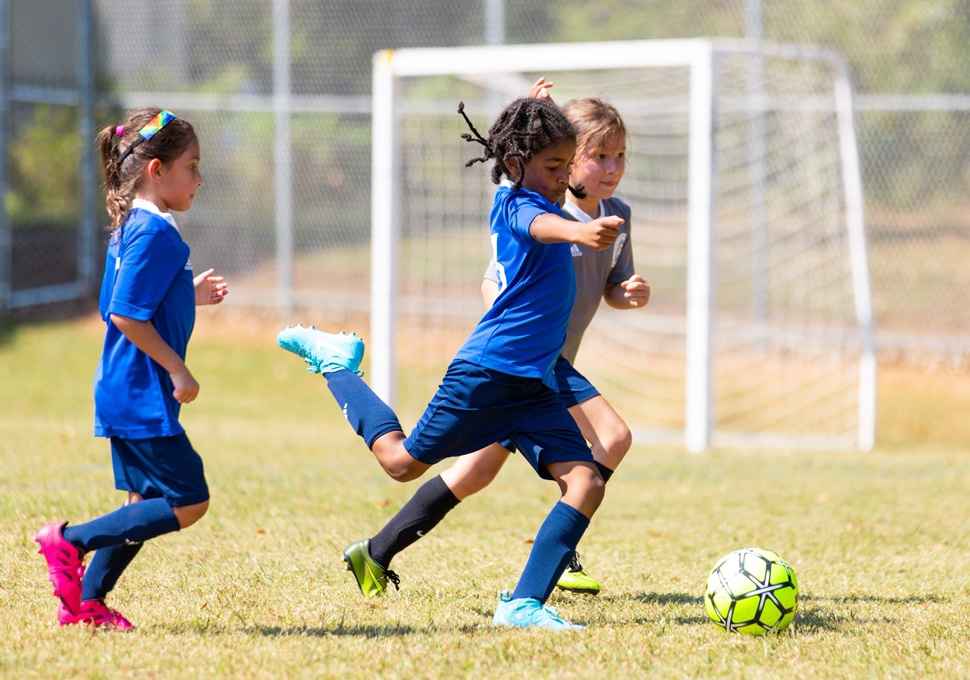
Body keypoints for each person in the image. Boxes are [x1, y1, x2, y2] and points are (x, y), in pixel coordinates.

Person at [277, 95, 623, 629]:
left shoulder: (546, 193)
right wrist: (578, 230)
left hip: (533, 388)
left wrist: (538, 108)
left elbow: (548, 184)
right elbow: (540, 225)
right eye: (554, 167)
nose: (563, 179)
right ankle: (335, 364)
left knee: (586, 482)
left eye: (565, 165)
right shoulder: (515, 206)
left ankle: (524, 604)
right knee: (401, 463)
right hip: (486, 375)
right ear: (513, 166)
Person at [34, 108, 228, 630]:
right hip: (141, 389)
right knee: (189, 501)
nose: (200, 177)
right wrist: (178, 369)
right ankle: (68, 542)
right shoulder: (155, 234)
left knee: (140, 502)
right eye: (192, 165)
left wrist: (188, 296)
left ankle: (87, 604)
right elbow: (124, 314)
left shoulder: (134, 226)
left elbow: (122, 302)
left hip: (124, 388)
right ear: (157, 170)